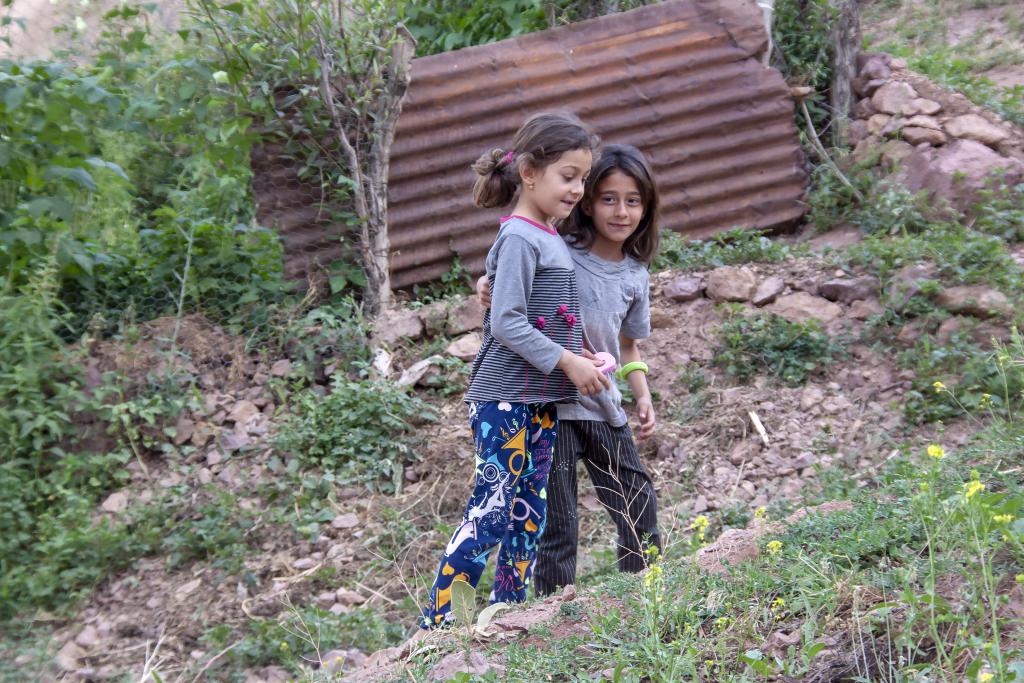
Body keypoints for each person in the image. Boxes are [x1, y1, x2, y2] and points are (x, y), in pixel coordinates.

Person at [418, 111, 610, 631]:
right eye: (568, 176)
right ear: (528, 172)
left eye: (583, 178)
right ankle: (437, 627)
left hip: (536, 400)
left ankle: (506, 611)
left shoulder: (544, 235)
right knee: (492, 510)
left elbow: (543, 313)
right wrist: (566, 361)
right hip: (504, 398)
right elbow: (507, 321)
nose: (578, 189)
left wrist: (582, 355)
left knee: (529, 511)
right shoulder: (523, 237)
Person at [478, 144, 662, 595]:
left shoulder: (635, 275)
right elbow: (512, 284)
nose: (621, 212)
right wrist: (487, 285)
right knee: (558, 526)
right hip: (553, 408)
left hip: (603, 404)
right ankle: (553, 617)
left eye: (633, 200)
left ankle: (648, 597)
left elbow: (628, 344)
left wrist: (641, 393)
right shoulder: (560, 250)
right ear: (587, 201)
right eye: (608, 198)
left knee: (638, 503)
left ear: (647, 207)